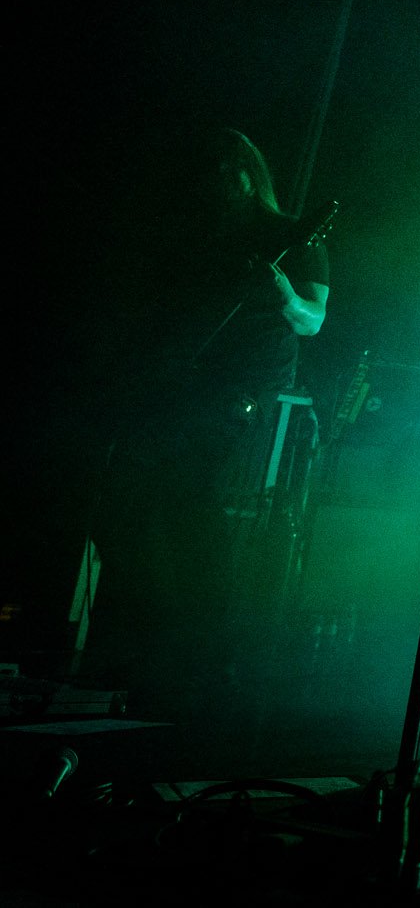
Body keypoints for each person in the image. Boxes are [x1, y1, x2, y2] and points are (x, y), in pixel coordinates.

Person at [86, 126, 330, 709]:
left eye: (231, 171)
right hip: (180, 390)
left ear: (252, 172)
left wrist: (283, 296)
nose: (221, 182)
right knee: (127, 506)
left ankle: (205, 657)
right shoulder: (200, 238)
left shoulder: (293, 237)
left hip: (246, 394)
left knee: (198, 515)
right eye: (212, 173)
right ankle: (135, 647)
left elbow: (313, 320)